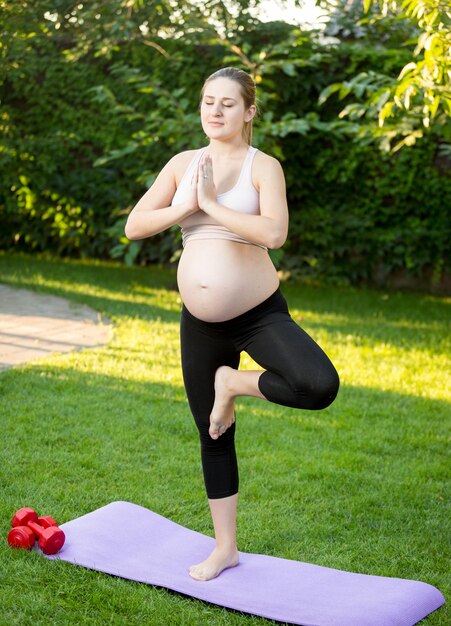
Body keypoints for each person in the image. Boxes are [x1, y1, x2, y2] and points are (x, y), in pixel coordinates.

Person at [125, 67, 339, 582]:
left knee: (317, 385)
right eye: (207, 102)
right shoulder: (182, 164)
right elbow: (135, 226)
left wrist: (214, 206)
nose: (214, 111)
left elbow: (274, 232)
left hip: (258, 315)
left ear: (249, 112)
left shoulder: (263, 167)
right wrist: (184, 204)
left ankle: (234, 383)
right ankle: (226, 549)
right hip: (200, 324)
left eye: (226, 103)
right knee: (214, 433)